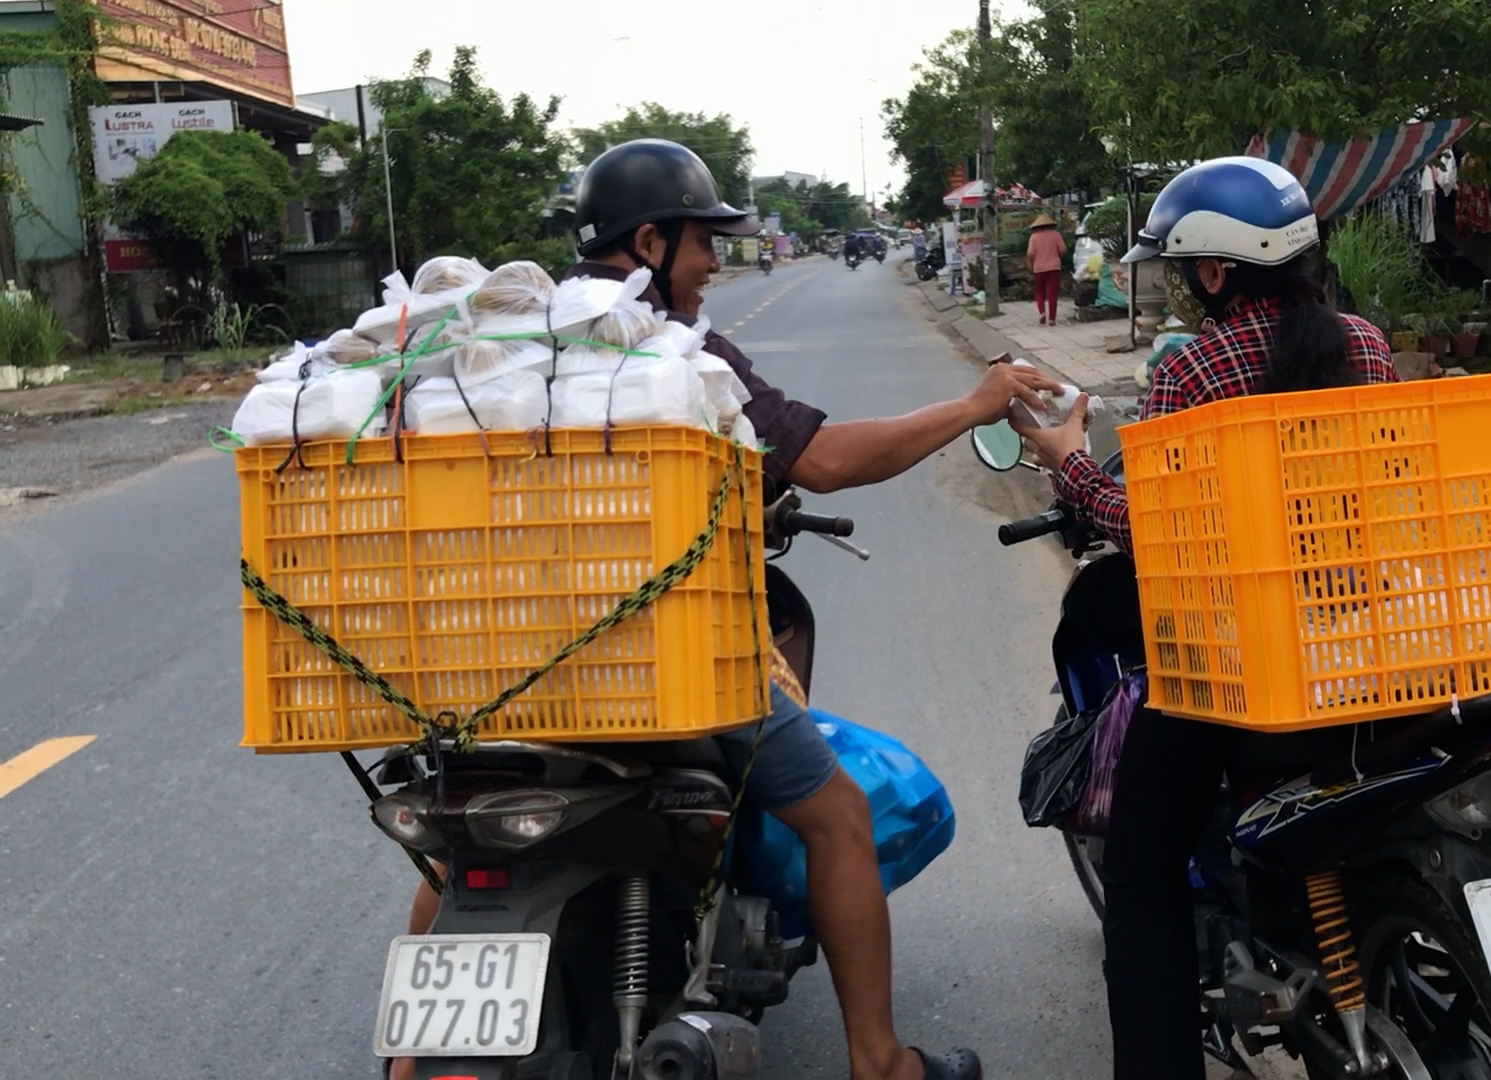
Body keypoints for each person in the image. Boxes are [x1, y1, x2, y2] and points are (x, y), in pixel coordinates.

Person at [391, 139, 1056, 1080]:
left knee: (460, 845)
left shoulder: (500, 351)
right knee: (836, 817)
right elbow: (822, 461)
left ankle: (409, 1063)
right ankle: (879, 1058)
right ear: (652, 242)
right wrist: (974, 402)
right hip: (657, 660)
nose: (713, 263)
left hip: (497, 661)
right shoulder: (666, 348)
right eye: (705, 242)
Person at [1009, 156, 1399, 1080]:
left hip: (1236, 674)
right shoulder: (1369, 345)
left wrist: (1067, 458)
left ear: (1217, 272)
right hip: (1364, 651)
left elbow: (1146, 523)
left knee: (1142, 881)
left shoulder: (1198, 367)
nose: (1185, 289)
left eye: (1187, 272)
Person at [1025, 213, 1068, 326]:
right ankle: (1052, 319)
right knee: (1052, 293)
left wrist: (1031, 263)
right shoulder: (1056, 235)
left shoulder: (1033, 237)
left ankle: (1042, 313)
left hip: (1038, 268)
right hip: (1054, 267)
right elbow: (1063, 249)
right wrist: (1057, 256)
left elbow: (1030, 253)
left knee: (1039, 292)